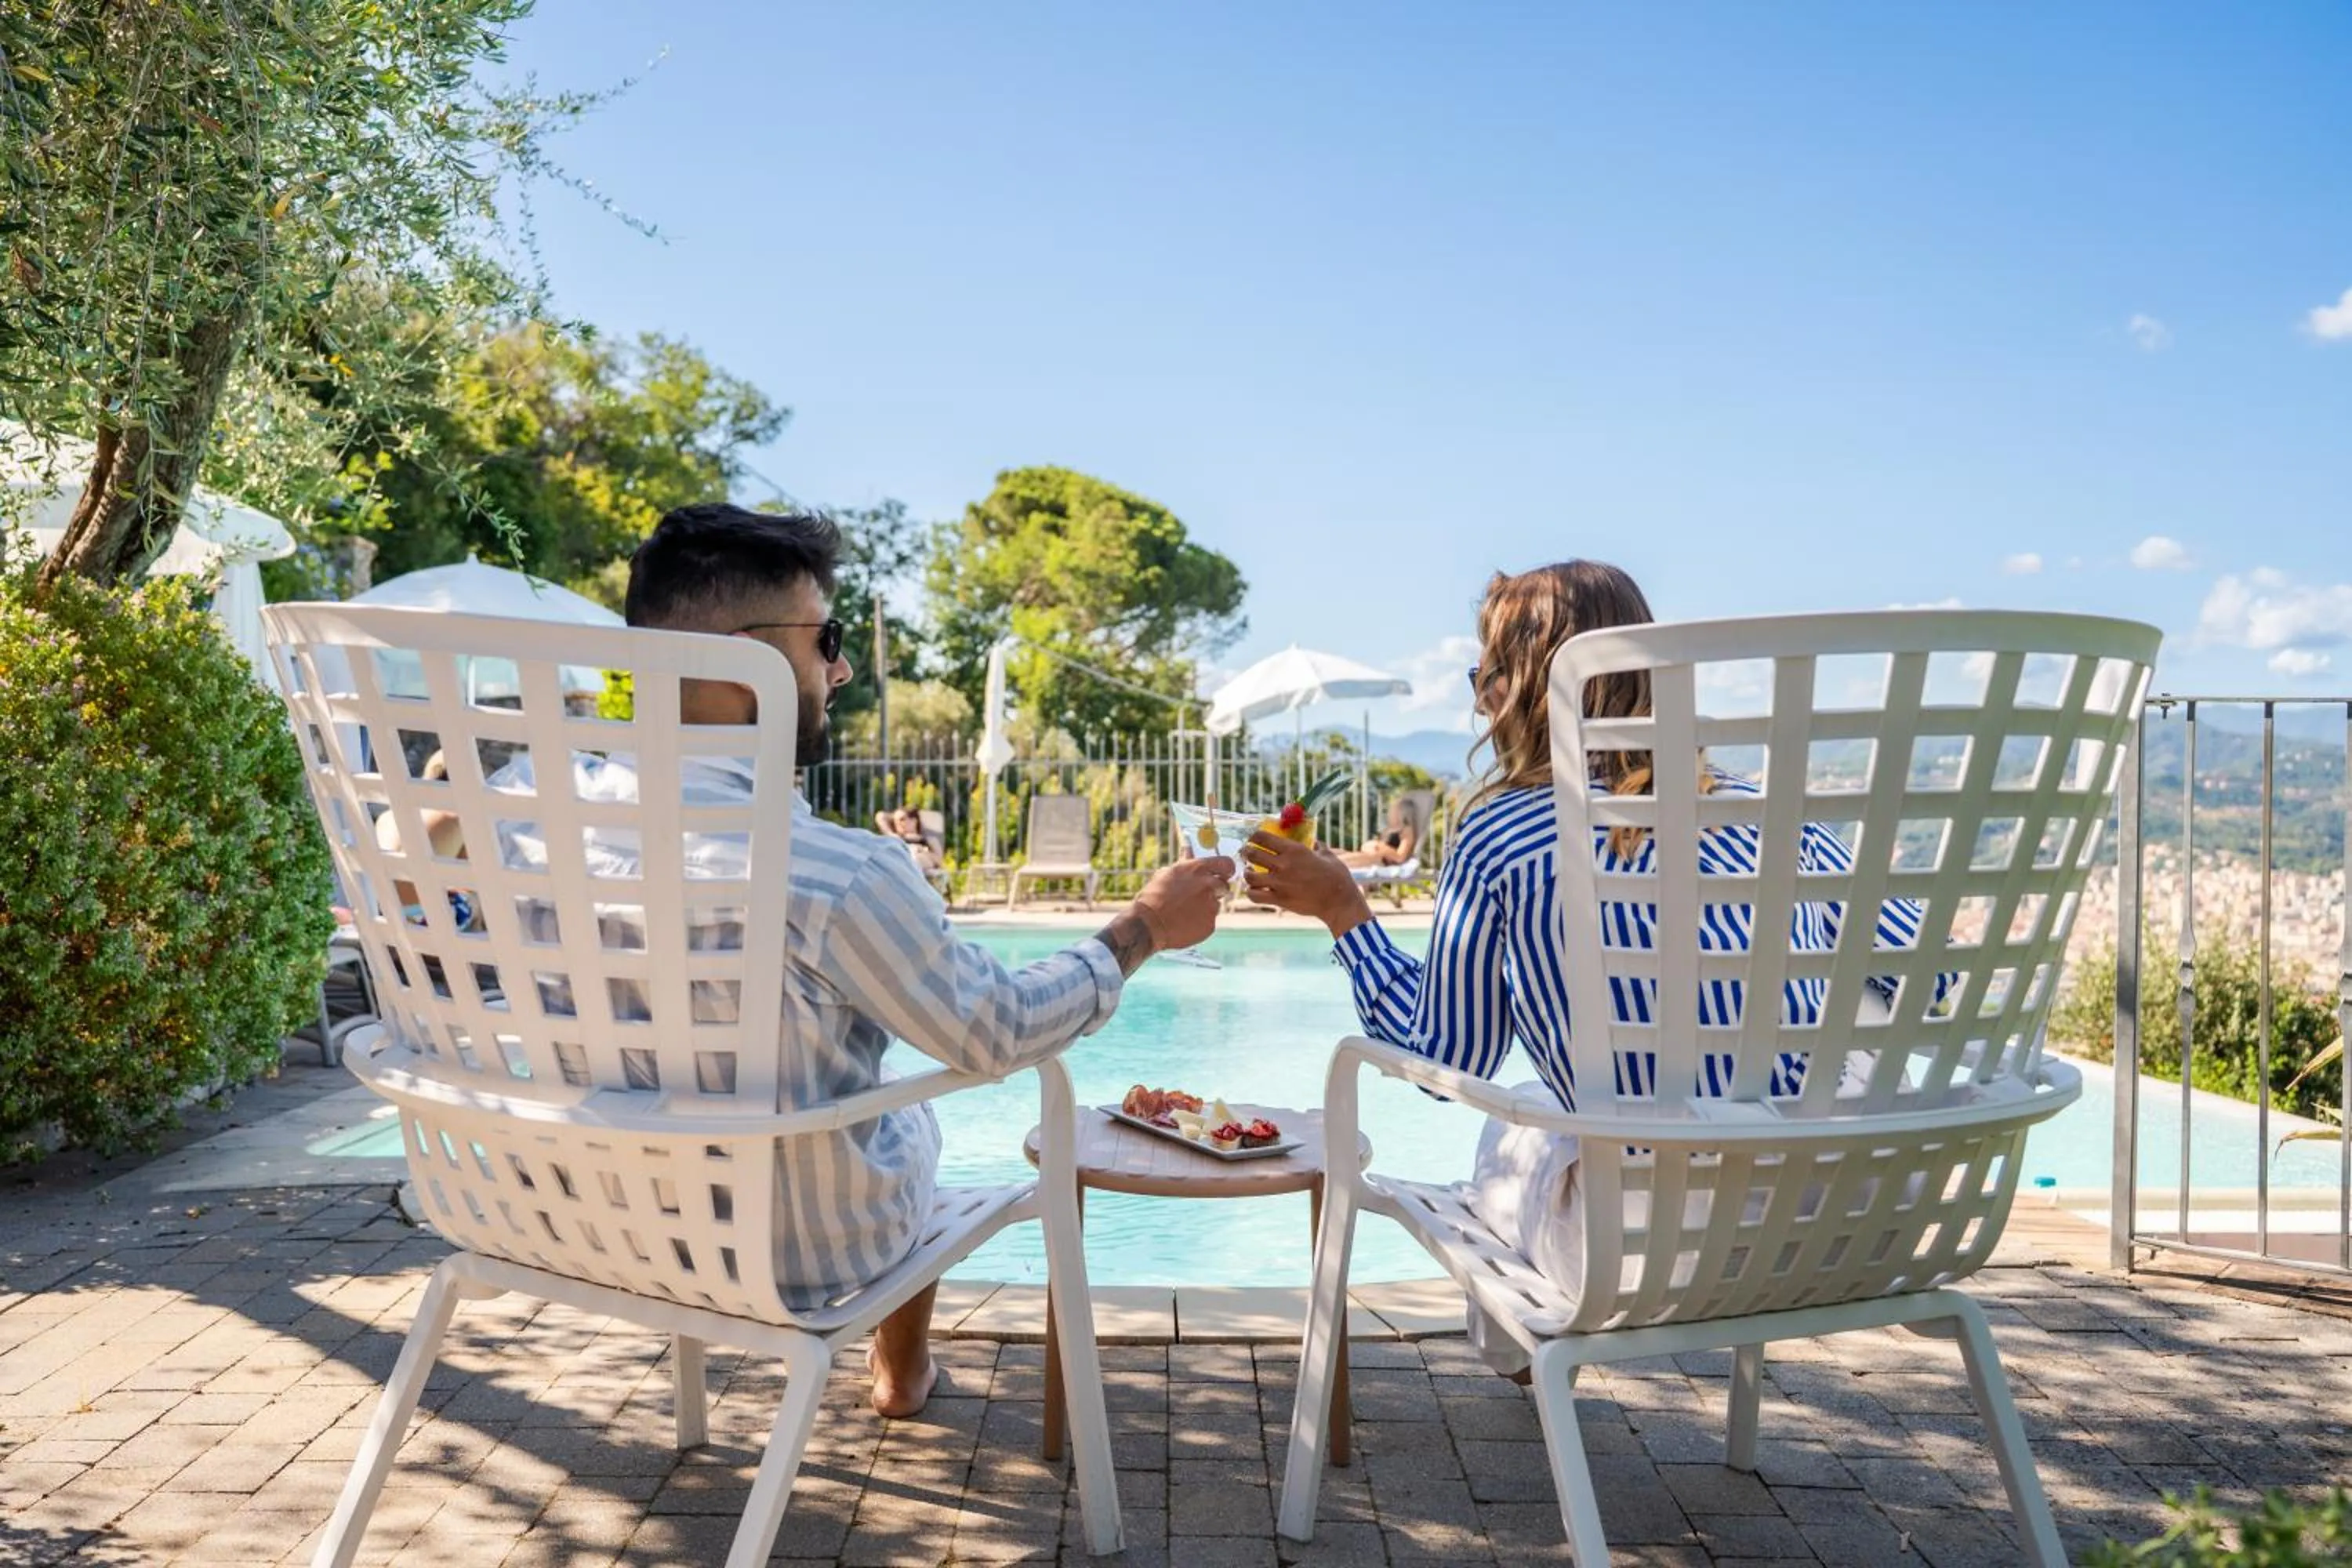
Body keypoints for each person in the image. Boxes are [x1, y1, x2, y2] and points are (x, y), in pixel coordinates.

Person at [394, 503, 1233, 1416]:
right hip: (792, 1255)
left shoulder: (530, 811)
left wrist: (461, 797)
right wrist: (1143, 926)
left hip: (568, 1221)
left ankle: (899, 1369)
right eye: (825, 639)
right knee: (910, 1111)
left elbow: (403, 863)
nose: (841, 669)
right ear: (737, 667)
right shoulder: (836, 874)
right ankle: (901, 1372)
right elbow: (999, 1031)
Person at [1240, 560, 1939, 1377]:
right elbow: (1928, 980)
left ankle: (1521, 1362)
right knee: (1562, 1111)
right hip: (1864, 1221)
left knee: (1514, 1123)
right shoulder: (1779, 812)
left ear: (1523, 689)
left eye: (1485, 674)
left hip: (1648, 1251)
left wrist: (1344, 912)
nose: (1476, 696)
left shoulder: (1503, 833)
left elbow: (1446, 1059)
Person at [1334, 795, 1420, 869]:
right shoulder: (1391, 828)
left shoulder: (1406, 831)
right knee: (1336, 853)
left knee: (1338, 861)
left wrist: (1381, 847)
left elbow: (1400, 857)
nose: (1390, 813)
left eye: (1394, 810)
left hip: (1379, 860)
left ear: (1402, 813)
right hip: (1370, 855)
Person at [875, 802, 942, 875]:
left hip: (920, 864)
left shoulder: (929, 840)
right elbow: (880, 816)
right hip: (901, 865)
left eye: (902, 819)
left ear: (914, 821)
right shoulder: (897, 839)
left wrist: (921, 850)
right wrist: (891, 834)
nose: (897, 823)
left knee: (916, 858)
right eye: (895, 820)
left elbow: (939, 861)